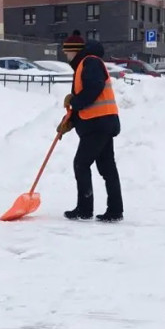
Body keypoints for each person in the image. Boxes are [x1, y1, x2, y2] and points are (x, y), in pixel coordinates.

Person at [56, 31, 124, 222]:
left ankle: (85, 209)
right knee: (107, 167)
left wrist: (75, 102)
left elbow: (93, 88)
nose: (65, 55)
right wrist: (69, 122)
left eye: (66, 52)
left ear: (74, 51)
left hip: (98, 124)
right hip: (101, 122)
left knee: (81, 163)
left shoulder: (90, 62)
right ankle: (115, 210)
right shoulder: (84, 64)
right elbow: (86, 96)